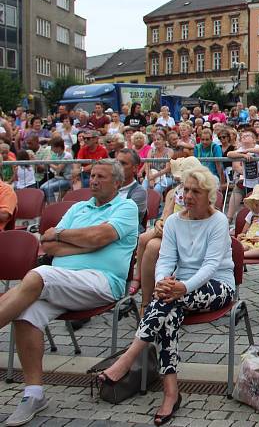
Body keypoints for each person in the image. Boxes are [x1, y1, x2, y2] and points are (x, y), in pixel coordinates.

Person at [0, 161, 138, 427]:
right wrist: (86, 244)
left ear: (117, 183)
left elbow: (99, 236)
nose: (94, 180)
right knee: (27, 313)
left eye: (101, 177)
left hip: (101, 283)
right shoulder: (78, 207)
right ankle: (33, 394)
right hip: (60, 285)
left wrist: (66, 235)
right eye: (92, 176)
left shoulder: (126, 207)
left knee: (39, 275)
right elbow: (48, 244)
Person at [98, 166, 234, 425]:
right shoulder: (173, 221)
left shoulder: (218, 221)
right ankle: (170, 393)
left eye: (196, 191)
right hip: (177, 289)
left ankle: (128, 357)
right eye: (186, 190)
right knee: (167, 317)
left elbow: (211, 266)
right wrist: (162, 282)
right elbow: (165, 259)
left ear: (209, 196)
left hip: (218, 285)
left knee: (165, 302)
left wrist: (181, 287)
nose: (189, 195)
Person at [129, 156, 202, 305]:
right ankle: (141, 285)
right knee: (144, 239)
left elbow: (199, 221)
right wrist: (160, 223)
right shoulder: (175, 192)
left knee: (152, 246)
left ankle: (148, 294)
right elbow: (166, 213)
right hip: (171, 228)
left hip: (188, 234)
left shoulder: (202, 194)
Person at [115, 149, 148, 230]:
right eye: (116, 163)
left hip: (126, 234)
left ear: (135, 168)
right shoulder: (107, 187)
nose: (117, 167)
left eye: (123, 163)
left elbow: (122, 219)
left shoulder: (139, 192)